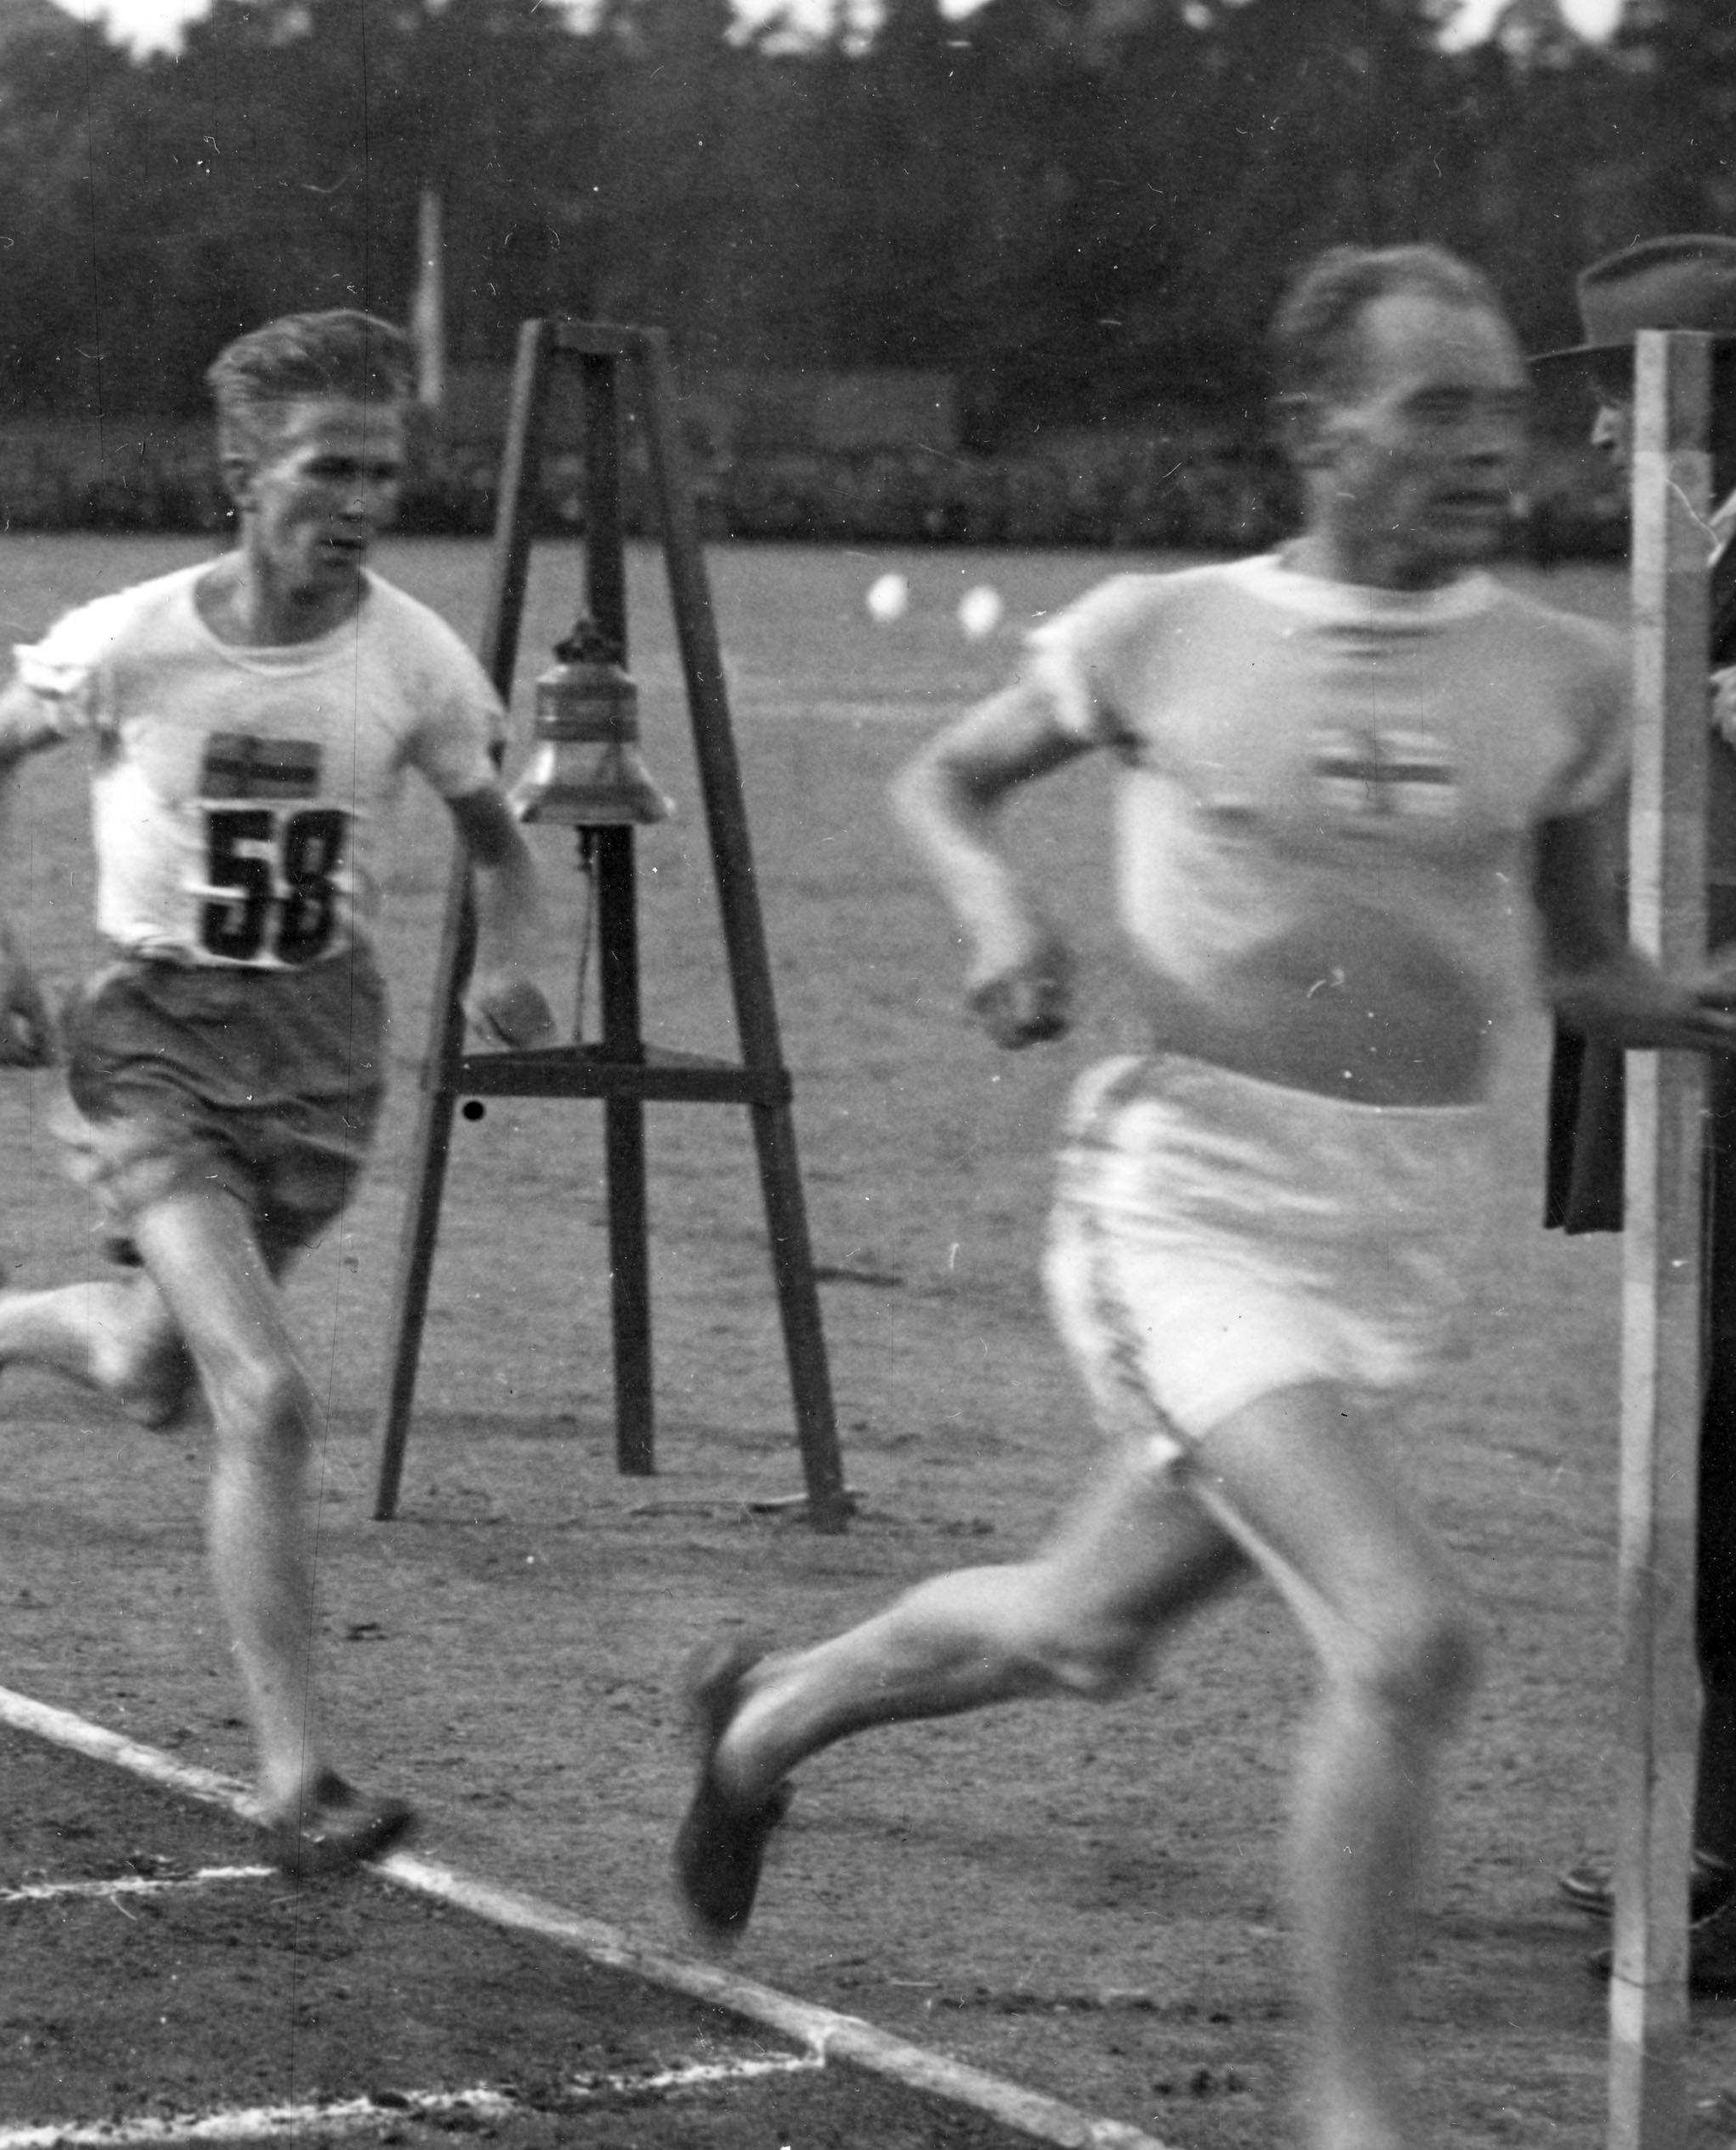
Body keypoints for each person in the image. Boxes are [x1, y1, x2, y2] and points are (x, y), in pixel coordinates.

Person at [671, 244, 1736, 2150]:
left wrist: (1688, 1004)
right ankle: (1349, 2115)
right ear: (1316, 432)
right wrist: (1005, 912)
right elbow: (948, 778)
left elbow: (1582, 970)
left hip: (1390, 1239)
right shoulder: (1165, 630)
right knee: (1408, 1638)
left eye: (1501, 406)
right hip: (1185, 1208)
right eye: (1437, 408)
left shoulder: (1565, 680)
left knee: (1086, 1635)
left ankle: (763, 1717)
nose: (1491, 445)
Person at [0, 308, 556, 1876]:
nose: (364, 500)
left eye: (385, 471)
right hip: (150, 1042)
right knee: (263, 1391)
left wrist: (510, 963)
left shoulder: (412, 657)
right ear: (243, 472)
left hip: (321, 1063)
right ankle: (296, 1778)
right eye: (331, 467)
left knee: (147, 1370)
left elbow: (498, 843)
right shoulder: (136, 637)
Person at [1535, 231, 1736, 1976]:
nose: (1605, 434)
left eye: (1624, 391)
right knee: (1710, 1443)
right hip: (1690, 1036)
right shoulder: (1703, 549)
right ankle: (1710, 1836)